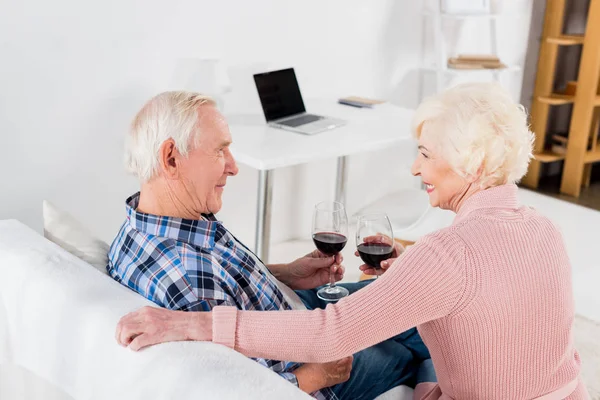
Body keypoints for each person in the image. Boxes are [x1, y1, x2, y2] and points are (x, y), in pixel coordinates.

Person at [115, 83, 590, 400]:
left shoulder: (447, 256)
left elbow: (333, 333)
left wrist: (195, 325)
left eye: (425, 154)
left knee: (411, 335)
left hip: (315, 328)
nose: (414, 168)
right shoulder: (543, 227)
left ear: (472, 164)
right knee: (415, 337)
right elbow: (535, 330)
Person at [107, 91, 433, 400]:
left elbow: (224, 281)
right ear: (171, 159)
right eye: (220, 150)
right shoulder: (189, 280)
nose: (233, 166)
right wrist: (318, 376)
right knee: (427, 333)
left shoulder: (145, 224)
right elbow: (243, 389)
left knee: (415, 297)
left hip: (292, 308)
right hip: (313, 365)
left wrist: (285, 274)